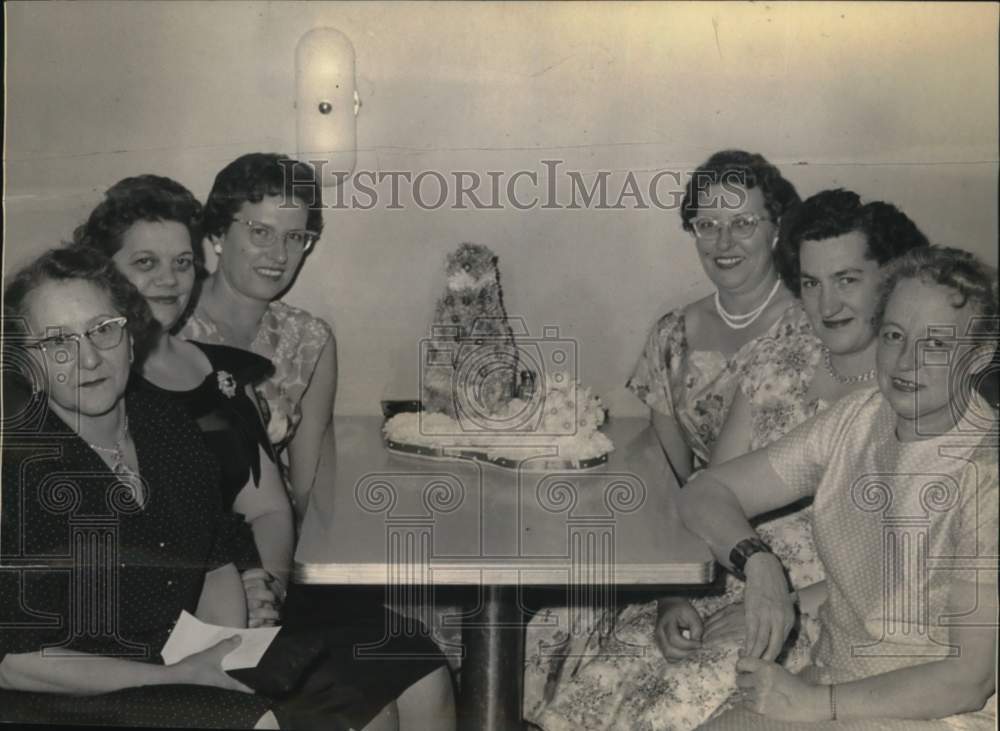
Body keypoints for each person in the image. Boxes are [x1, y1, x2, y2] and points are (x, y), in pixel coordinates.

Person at [0, 247, 455, 730]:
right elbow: (12, 660)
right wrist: (182, 675)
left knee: (414, 669)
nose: (88, 357)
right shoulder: (20, 468)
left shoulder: (160, 420)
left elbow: (216, 552)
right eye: (58, 343)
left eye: (102, 330)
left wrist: (224, 646)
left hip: (175, 652)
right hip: (71, 692)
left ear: (130, 336)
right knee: (332, 721)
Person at [524, 191, 931, 729]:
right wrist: (677, 594)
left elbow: (908, 568)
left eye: (848, 280)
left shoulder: (913, 390)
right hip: (735, 570)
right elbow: (708, 487)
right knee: (599, 662)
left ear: (890, 280)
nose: (826, 305)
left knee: (680, 695)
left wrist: (781, 604)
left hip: (829, 607)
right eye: (811, 283)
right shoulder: (784, 349)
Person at [523, 149, 801, 724]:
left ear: (777, 230)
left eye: (744, 222)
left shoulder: (813, 329)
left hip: (783, 555)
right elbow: (665, 473)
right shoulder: (672, 334)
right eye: (707, 224)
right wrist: (675, 587)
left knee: (657, 683)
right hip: (691, 539)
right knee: (546, 629)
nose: (724, 241)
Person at [679, 245, 997, 729]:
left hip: (935, 714)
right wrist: (759, 563)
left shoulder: (987, 476)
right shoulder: (858, 418)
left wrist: (815, 705)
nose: (906, 361)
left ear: (980, 355)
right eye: (893, 335)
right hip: (832, 683)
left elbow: (969, 679)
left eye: (935, 344)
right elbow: (704, 493)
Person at [74, 174, 292, 621]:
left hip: (259, 594)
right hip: (160, 616)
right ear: (103, 272)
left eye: (183, 262)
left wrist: (268, 590)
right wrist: (231, 605)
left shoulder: (226, 372)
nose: (170, 281)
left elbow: (268, 509)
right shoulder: (92, 382)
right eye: (146, 263)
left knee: (417, 665)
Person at [179, 153, 335, 519]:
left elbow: (309, 491)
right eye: (261, 232)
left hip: (269, 533)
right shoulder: (170, 324)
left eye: (295, 237)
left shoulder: (310, 340)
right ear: (218, 232)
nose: (279, 255)